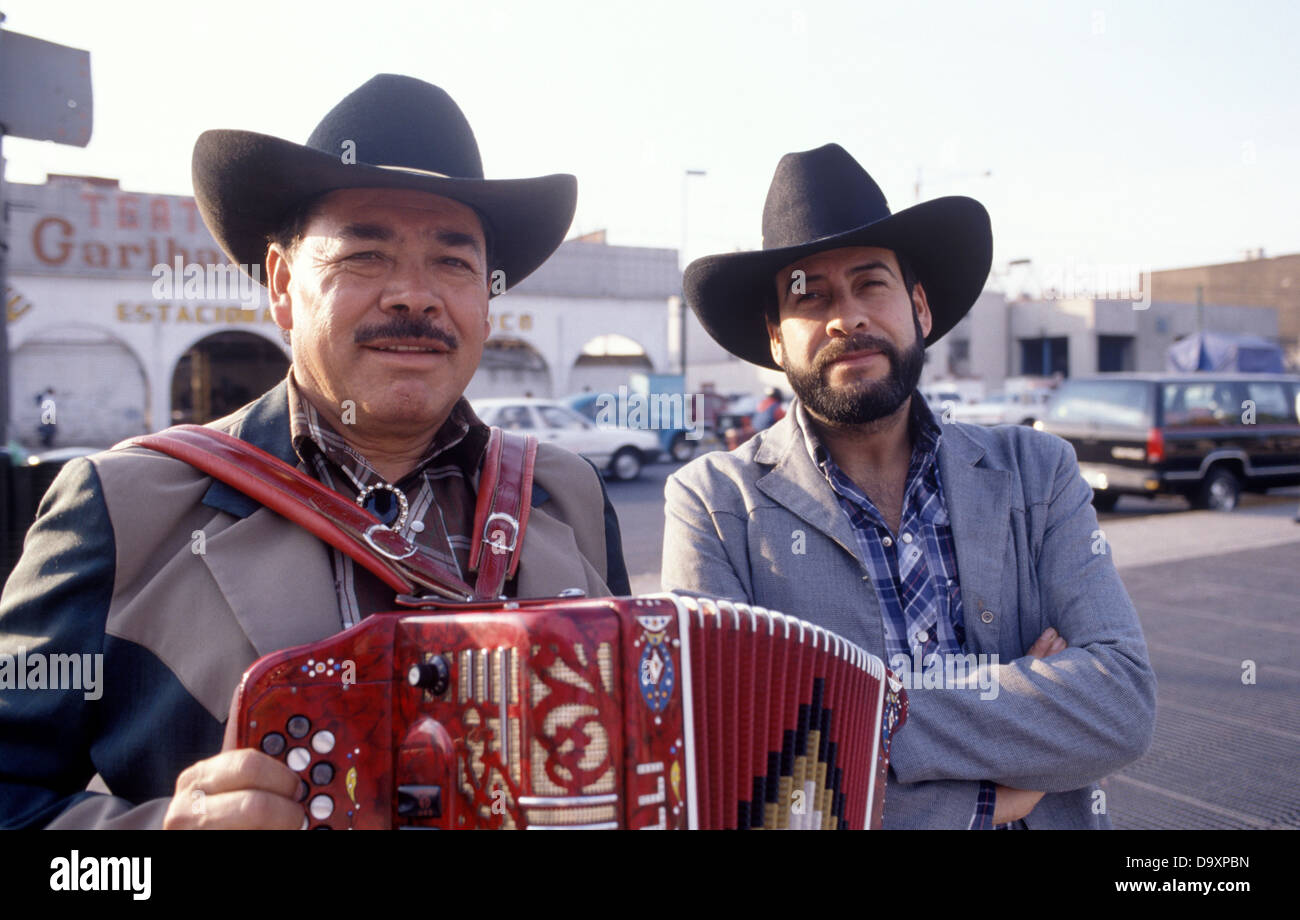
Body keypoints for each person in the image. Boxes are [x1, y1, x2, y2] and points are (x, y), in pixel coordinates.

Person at [0, 75, 629, 829]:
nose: (414, 295)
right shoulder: (121, 507)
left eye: (453, 263)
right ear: (282, 286)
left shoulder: (568, 497)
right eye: (365, 255)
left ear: (486, 304)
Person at [662, 143, 1156, 829]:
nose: (847, 317)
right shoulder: (713, 503)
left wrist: (851, 720)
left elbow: (1122, 702)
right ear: (776, 339)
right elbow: (729, 760)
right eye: (810, 294)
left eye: (871, 284)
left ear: (919, 309)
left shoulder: (1038, 472)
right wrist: (990, 796)